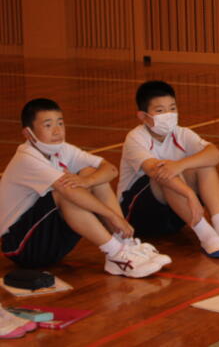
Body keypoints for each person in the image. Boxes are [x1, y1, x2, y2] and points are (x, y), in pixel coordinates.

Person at [0, 98, 167, 278]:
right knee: (65, 190)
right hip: (21, 246)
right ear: (28, 133)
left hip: (47, 237)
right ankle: (115, 253)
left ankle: (125, 244)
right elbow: (67, 191)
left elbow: (110, 169)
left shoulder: (62, 149)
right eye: (48, 125)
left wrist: (88, 181)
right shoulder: (27, 158)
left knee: (91, 174)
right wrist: (112, 216)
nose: (57, 131)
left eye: (60, 123)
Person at [118, 81, 219, 258]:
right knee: (165, 171)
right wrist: (189, 193)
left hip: (176, 212)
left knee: (203, 165)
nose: (168, 115)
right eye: (160, 111)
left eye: (172, 108)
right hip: (137, 216)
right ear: (143, 116)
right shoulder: (135, 137)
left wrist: (180, 165)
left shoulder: (182, 133)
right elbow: (155, 170)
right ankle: (207, 236)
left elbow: (214, 154)